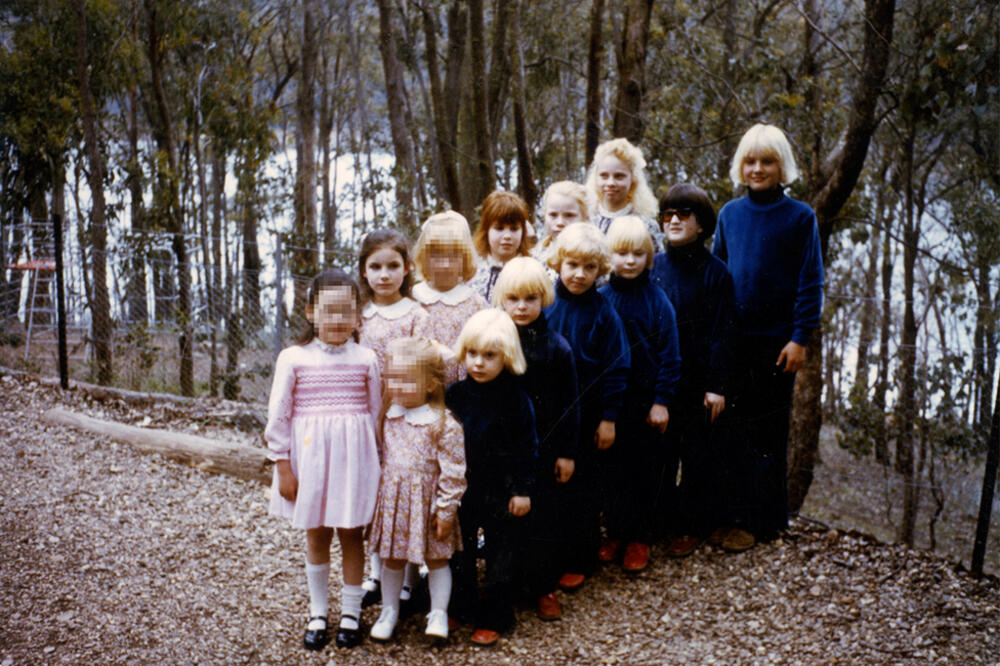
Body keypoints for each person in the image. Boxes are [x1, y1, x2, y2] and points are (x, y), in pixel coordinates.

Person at [713, 123, 824, 548]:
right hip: (734, 340)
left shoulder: (800, 217)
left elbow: (810, 281)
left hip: (777, 344)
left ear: (782, 167)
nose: (758, 169)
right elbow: (718, 278)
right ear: (741, 166)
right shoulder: (729, 214)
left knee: (767, 431)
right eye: (751, 161)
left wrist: (799, 337)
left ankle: (764, 521)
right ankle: (730, 515)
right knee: (731, 429)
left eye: (768, 161)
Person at [265, 269, 381, 651]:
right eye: (329, 311)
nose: (337, 320)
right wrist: (282, 464)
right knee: (316, 535)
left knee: (351, 535)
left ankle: (350, 613)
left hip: (354, 464)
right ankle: (318, 612)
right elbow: (279, 414)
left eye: (346, 312)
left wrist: (378, 463)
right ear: (311, 312)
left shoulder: (366, 358)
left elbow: (377, 415)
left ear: (358, 316)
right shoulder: (293, 358)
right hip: (310, 464)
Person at [650, 183, 736, 556]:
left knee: (697, 455)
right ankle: (658, 522)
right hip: (659, 382)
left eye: (683, 215)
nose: (673, 221)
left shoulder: (717, 273)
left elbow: (724, 333)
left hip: (699, 383)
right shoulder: (652, 267)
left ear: (702, 225)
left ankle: (690, 526)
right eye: (667, 214)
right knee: (659, 454)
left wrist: (717, 385)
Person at [492, 256, 580, 621]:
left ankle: (543, 586)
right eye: (513, 299)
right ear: (502, 300)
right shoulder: (494, 342)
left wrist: (567, 453)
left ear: (543, 298)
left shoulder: (556, 347)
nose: (522, 307)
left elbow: (571, 404)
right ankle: (504, 587)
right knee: (505, 521)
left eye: (530, 299)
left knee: (543, 521)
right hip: (503, 452)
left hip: (545, 449)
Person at [543, 222, 630, 590]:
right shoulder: (544, 303)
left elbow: (618, 365)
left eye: (589, 267)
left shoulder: (604, 312)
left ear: (600, 270)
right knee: (549, 486)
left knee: (583, 487)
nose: (579, 274)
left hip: (589, 410)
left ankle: (581, 557)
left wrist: (609, 418)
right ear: (558, 263)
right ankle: (546, 557)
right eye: (572, 264)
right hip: (547, 410)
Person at [445, 309, 538, 646]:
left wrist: (522, 489)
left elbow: (528, 448)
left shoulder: (517, 401)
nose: (479, 363)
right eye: (472, 354)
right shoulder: (455, 396)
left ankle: (498, 614)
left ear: (507, 356)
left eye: (489, 355)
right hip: (462, 490)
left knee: (501, 554)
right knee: (460, 550)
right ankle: (461, 603)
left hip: (502, 490)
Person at [367, 337, 467, 642]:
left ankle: (438, 613)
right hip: (395, 504)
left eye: (406, 380)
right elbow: (383, 460)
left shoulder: (443, 424)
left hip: (429, 505)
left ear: (431, 385)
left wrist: (446, 510)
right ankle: (389, 610)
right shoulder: (389, 417)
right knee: (392, 559)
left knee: (437, 559)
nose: (396, 387)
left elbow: (453, 471)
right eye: (392, 378)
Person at [598, 216, 681, 572]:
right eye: (621, 253)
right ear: (608, 257)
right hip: (609, 404)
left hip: (645, 403)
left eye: (637, 254)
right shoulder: (600, 299)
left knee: (644, 471)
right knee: (612, 471)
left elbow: (671, 356)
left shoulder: (657, 301)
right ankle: (615, 532)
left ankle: (639, 538)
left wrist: (662, 401)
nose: (629, 261)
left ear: (649, 257)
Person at [356, 229, 429, 609]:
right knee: (375, 494)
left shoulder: (416, 314)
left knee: (403, 492)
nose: (384, 274)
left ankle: (409, 577)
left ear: (406, 269)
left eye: (393, 266)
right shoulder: (359, 315)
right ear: (364, 271)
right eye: (376, 267)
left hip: (404, 412)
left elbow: (422, 363)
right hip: (365, 411)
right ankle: (375, 573)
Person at [412, 211, 490, 385]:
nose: (445, 264)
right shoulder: (413, 299)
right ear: (424, 257)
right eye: (437, 255)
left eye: (454, 255)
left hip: (462, 389)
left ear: (465, 258)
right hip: (420, 391)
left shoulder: (475, 303)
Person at [584, 138, 663, 250]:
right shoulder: (586, 220)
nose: (610, 183)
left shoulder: (646, 225)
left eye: (619, 176)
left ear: (633, 179)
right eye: (604, 176)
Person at [469, 190, 532, 301]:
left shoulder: (532, 271)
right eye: (499, 228)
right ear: (486, 230)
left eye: (514, 229)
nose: (507, 236)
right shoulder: (473, 273)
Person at [532, 181, 590, 278]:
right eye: (553, 215)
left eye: (569, 215)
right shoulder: (535, 259)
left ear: (584, 218)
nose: (560, 222)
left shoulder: (592, 256)